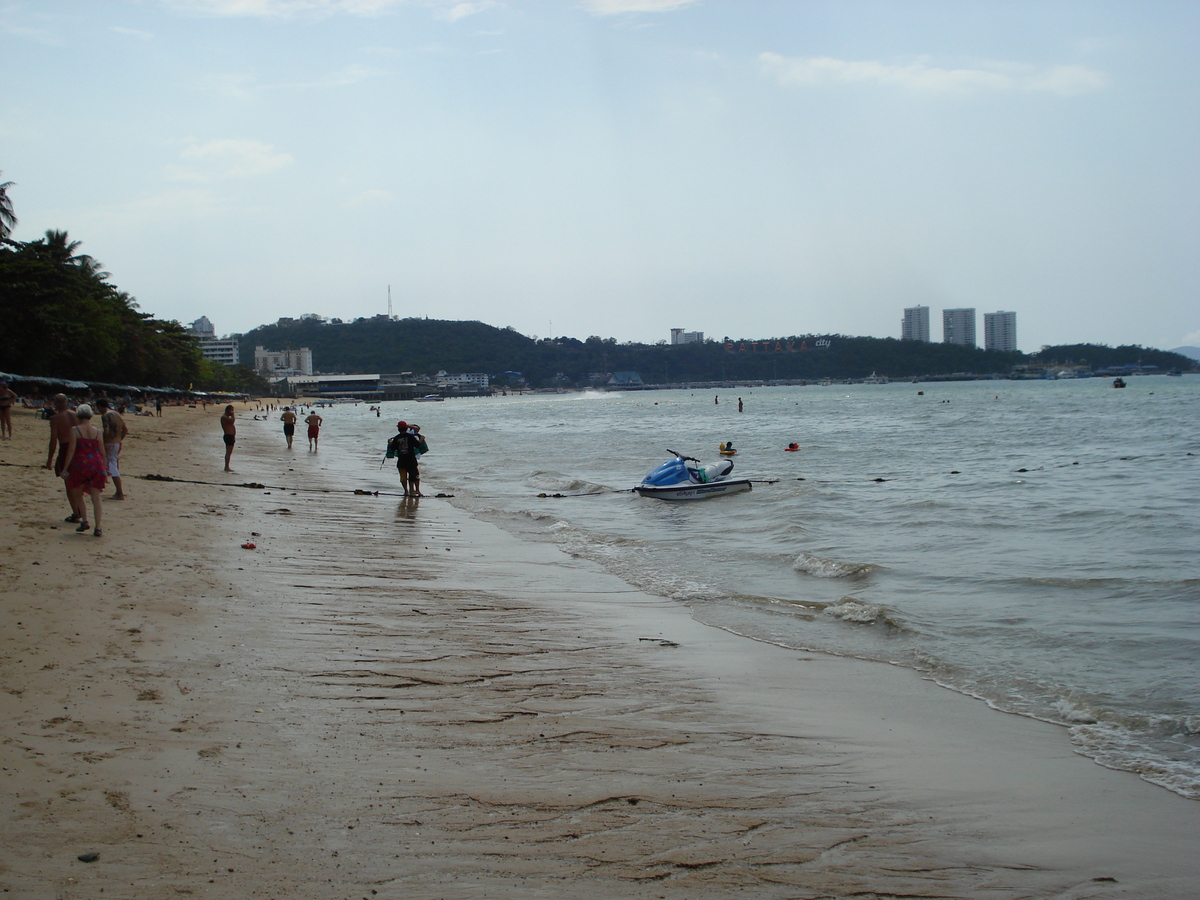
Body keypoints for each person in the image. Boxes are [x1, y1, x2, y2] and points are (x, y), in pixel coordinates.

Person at [60, 404, 106, 537]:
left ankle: (85, 520)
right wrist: (104, 469)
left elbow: (71, 450)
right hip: (96, 463)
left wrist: (65, 468)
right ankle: (98, 527)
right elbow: (102, 452)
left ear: (78, 415)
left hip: (80, 464)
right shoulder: (98, 432)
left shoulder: (75, 430)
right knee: (96, 498)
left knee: (78, 493)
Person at [44, 394, 80, 522]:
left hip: (66, 448)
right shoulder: (76, 415)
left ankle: (76, 513)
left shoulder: (55, 418)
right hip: (80, 448)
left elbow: (53, 440)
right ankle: (80, 509)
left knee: (68, 482)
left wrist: (49, 460)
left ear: (56, 403)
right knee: (79, 481)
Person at [96, 398, 129, 500]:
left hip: (109, 443)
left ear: (100, 406)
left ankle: (119, 492)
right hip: (116, 443)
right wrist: (119, 440)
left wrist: (100, 440)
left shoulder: (105, 416)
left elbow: (106, 432)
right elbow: (125, 430)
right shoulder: (116, 414)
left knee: (111, 467)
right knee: (112, 465)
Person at [388, 420, 421, 497]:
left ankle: (406, 491)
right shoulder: (410, 437)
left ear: (398, 429)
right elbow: (417, 445)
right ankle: (417, 490)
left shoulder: (396, 438)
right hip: (411, 460)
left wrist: (390, 443)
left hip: (401, 461)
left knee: (403, 478)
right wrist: (421, 439)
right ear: (406, 429)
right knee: (415, 476)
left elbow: (393, 448)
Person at [221, 405, 236, 471]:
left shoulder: (226, 417)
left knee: (229, 452)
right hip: (228, 436)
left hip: (231, 436)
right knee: (228, 452)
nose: (232, 412)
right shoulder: (224, 417)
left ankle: (227, 466)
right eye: (231, 410)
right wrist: (233, 415)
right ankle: (226, 466)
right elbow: (232, 422)